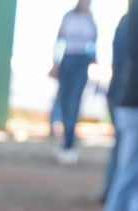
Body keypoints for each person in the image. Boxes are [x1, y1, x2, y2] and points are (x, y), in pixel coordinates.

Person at [95, 1, 138, 211]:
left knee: (129, 185)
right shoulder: (132, 16)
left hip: (130, 105)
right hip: (134, 106)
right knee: (126, 184)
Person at [51, 0, 98, 165]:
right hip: (67, 60)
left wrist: (94, 66)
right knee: (64, 102)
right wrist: (55, 63)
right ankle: (66, 139)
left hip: (81, 63)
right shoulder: (69, 17)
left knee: (74, 103)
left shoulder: (90, 19)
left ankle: (69, 144)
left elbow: (93, 44)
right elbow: (59, 41)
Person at [100, 12, 131, 204]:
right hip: (125, 96)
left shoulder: (126, 20)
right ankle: (112, 194)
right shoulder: (129, 21)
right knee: (126, 157)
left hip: (120, 94)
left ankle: (109, 191)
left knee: (121, 150)